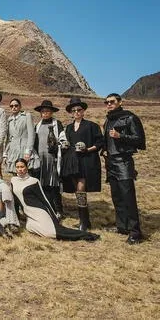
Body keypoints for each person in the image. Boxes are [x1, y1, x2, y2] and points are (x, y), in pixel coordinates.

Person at [11, 159, 99, 241]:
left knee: (51, 233)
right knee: (29, 227)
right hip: (29, 216)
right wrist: (16, 220)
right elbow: (15, 202)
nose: (20, 169)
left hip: (40, 212)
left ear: (26, 167)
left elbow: (44, 199)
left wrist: (53, 217)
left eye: (22, 167)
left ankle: (84, 235)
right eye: (18, 167)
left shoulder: (33, 181)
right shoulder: (13, 180)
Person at [102, 93, 146, 244]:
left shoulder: (130, 118)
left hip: (124, 162)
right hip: (111, 162)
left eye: (112, 101)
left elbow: (139, 140)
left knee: (128, 197)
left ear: (120, 102)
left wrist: (120, 136)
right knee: (117, 197)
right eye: (106, 102)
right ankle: (122, 227)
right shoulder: (109, 119)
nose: (109, 104)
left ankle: (135, 232)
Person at [60, 97, 103, 231]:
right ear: (71, 113)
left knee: (80, 190)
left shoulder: (91, 126)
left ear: (83, 111)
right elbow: (64, 143)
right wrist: (64, 146)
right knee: (77, 191)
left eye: (79, 110)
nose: (77, 112)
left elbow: (100, 143)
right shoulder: (68, 128)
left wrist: (87, 149)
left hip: (86, 161)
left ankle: (83, 222)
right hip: (72, 162)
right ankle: (85, 221)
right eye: (74, 110)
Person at [33, 100, 67, 218]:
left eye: (47, 111)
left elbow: (63, 139)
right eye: (43, 111)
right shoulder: (37, 126)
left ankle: (58, 210)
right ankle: (47, 208)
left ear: (52, 112)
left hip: (53, 159)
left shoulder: (57, 124)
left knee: (54, 184)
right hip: (40, 160)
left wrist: (59, 146)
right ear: (40, 113)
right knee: (42, 184)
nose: (45, 113)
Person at [4, 98, 38, 175]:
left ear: (20, 106)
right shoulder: (9, 120)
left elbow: (31, 134)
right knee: (15, 174)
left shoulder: (27, 116)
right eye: (11, 106)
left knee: (27, 173)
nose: (14, 107)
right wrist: (5, 153)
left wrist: (28, 150)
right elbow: (9, 139)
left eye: (16, 105)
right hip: (13, 150)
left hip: (24, 148)